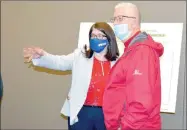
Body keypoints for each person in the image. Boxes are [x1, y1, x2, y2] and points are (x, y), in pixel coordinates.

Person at [23, 22, 119, 130]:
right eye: (93, 35)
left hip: (107, 114)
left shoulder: (118, 62)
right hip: (81, 112)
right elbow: (59, 62)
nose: (96, 38)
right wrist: (43, 56)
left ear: (109, 38)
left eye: (100, 35)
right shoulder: (80, 56)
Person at [103, 2, 164, 130]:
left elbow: (141, 103)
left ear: (134, 22)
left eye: (120, 19)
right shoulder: (132, 50)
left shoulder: (141, 52)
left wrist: (124, 127)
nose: (115, 24)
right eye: (114, 19)